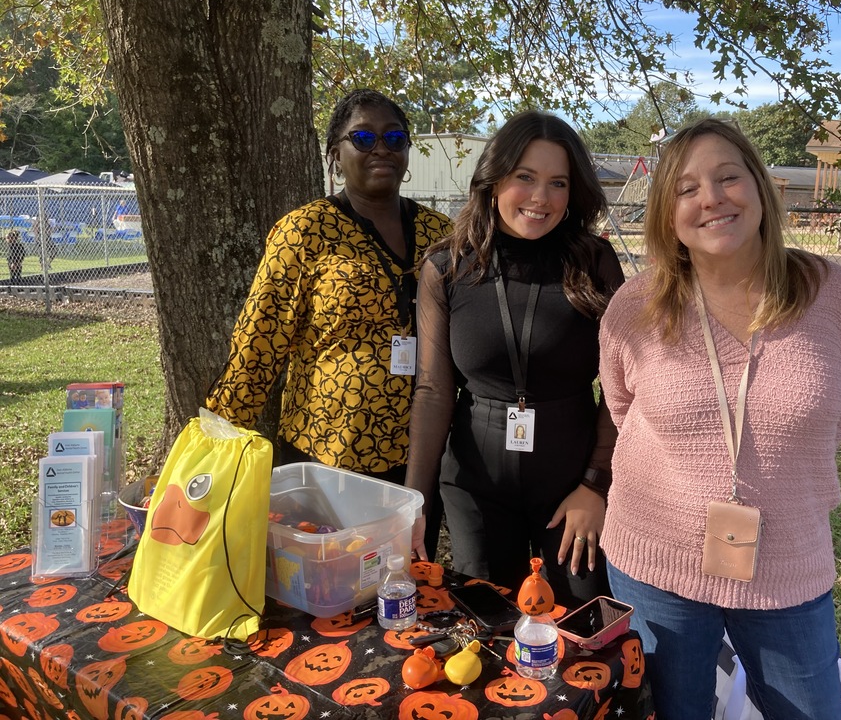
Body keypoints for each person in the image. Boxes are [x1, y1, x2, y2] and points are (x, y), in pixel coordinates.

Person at [598, 118, 841, 719]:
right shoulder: (635, 307)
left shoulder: (830, 294)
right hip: (657, 559)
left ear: (761, 186)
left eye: (729, 177)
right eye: (687, 188)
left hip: (788, 563)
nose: (712, 198)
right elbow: (624, 410)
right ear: (666, 213)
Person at [206, 89, 452, 556]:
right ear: (335, 155)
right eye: (363, 137)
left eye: (394, 137)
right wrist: (216, 440)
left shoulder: (441, 234)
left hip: (418, 455)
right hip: (330, 454)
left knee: (403, 581)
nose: (381, 148)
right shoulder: (304, 231)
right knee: (326, 587)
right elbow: (260, 343)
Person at [405, 111, 625, 606]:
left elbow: (624, 385)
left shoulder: (593, 262)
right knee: (490, 620)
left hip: (571, 475)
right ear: (493, 179)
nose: (540, 198)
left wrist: (597, 485)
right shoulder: (446, 267)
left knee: (580, 619)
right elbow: (434, 390)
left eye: (557, 183)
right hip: (475, 483)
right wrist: (413, 503)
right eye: (524, 177)